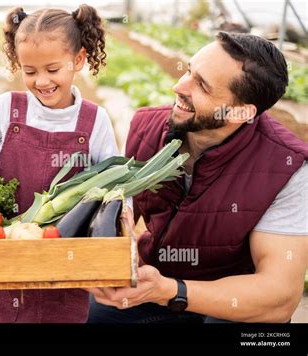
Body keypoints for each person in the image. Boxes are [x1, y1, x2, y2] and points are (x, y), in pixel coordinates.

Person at [88, 32, 308, 323]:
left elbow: (278, 296)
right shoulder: (146, 127)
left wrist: (171, 291)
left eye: (201, 85)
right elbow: (121, 215)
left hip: (232, 305)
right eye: (189, 71)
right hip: (153, 284)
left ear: (240, 112)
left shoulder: (287, 167)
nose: (178, 86)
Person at [0, 5, 118, 323]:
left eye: (53, 69)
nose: (41, 81)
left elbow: (115, 184)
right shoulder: (7, 109)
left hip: (66, 264)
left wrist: (119, 220)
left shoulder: (94, 120)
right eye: (29, 71)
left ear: (79, 60)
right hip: (5, 254)